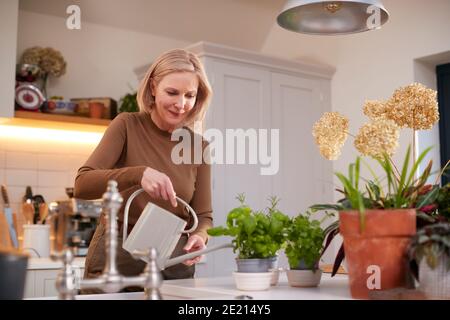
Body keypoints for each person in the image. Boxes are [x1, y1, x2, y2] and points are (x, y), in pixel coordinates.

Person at [74, 49, 213, 284]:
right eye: (172, 92)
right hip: (118, 258)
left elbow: (203, 215)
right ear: (152, 88)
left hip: (174, 264)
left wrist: (201, 235)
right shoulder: (127, 125)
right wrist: (139, 174)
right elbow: (82, 185)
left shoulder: (199, 146)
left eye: (190, 95)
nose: (181, 104)